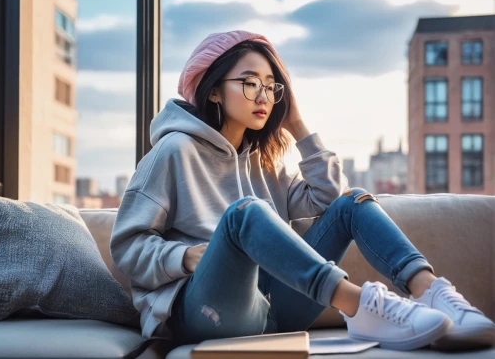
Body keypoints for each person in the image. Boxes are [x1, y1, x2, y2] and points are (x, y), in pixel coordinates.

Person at [110, 30, 495, 351]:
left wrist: (296, 123)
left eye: (271, 86)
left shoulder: (264, 160)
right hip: (206, 311)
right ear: (213, 90)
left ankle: (437, 296)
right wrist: (188, 256)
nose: (263, 95)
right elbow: (127, 245)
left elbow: (329, 200)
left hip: (274, 309)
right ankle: (362, 306)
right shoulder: (174, 150)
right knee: (248, 212)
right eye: (249, 83)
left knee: (352, 200)